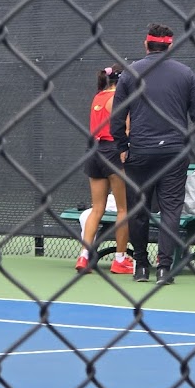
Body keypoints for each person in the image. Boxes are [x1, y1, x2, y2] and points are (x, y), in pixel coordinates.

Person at [110, 23, 195, 285]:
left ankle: (141, 266)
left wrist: (122, 147)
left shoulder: (130, 74)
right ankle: (164, 269)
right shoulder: (185, 74)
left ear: (146, 44)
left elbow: (117, 117)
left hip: (139, 153)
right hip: (174, 153)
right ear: (171, 45)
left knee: (138, 210)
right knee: (171, 210)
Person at [76, 64, 133, 275]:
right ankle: (120, 260)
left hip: (94, 153)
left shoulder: (97, 97)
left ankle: (84, 256)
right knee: (124, 209)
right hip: (113, 152)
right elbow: (127, 130)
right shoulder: (119, 99)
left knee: (97, 208)